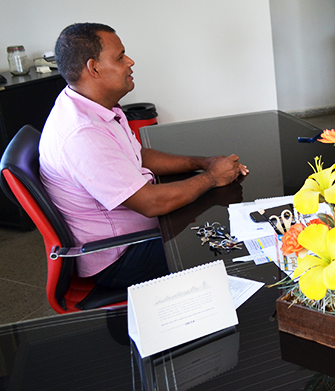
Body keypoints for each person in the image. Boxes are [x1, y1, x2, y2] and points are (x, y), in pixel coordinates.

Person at [39, 23, 249, 289]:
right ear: (94, 68)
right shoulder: (82, 135)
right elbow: (151, 204)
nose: (130, 62)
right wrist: (211, 178)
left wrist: (203, 163)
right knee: (230, 247)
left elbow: (137, 155)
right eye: (120, 57)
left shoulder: (90, 104)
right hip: (121, 257)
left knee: (222, 224)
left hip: (139, 233)